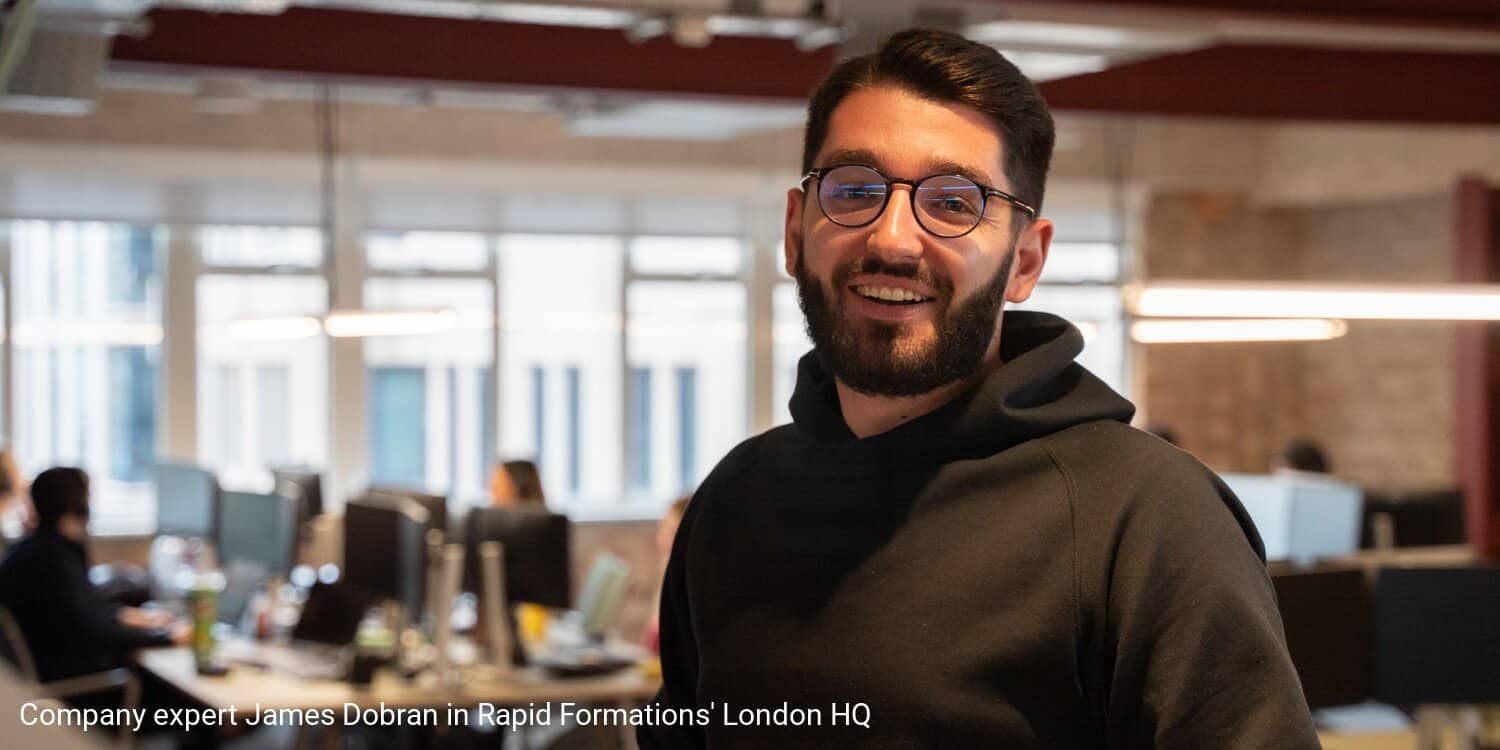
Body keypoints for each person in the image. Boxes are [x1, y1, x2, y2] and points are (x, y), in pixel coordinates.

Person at [642, 29, 1318, 749]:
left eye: (955, 203)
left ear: (1025, 260)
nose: (894, 239)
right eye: (854, 190)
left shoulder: (1149, 519)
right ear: (794, 228)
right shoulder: (735, 501)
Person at [0, 467, 187, 683]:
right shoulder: (53, 559)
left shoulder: (39, 549)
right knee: (165, 684)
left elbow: (77, 610)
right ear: (75, 502)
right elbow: (96, 633)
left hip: (54, 665)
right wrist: (168, 638)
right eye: (87, 496)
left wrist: (124, 615)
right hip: (76, 684)